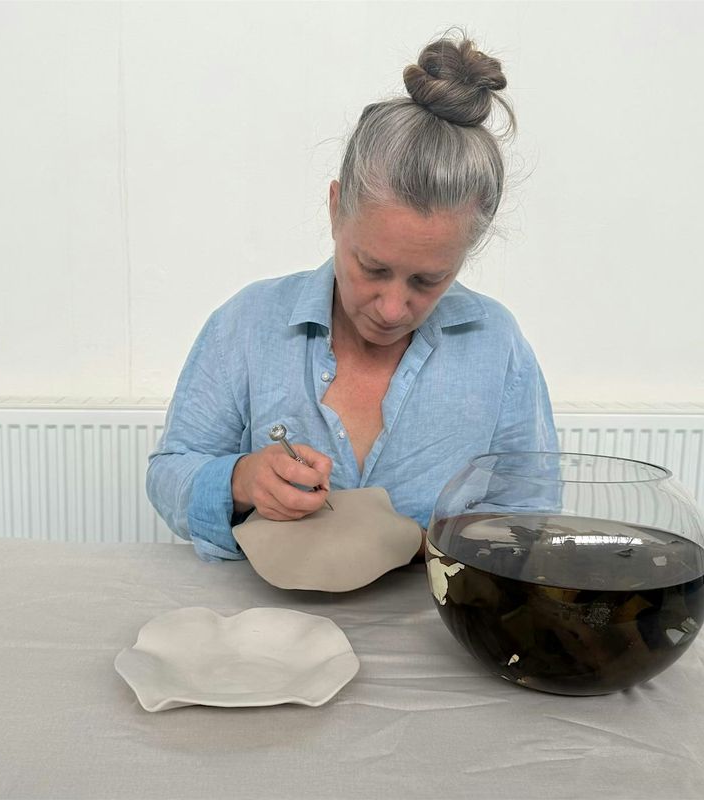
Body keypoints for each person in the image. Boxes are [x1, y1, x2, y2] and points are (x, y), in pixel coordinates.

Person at [146, 33, 558, 562]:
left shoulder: (497, 345)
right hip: (260, 611)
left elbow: (528, 516)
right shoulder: (247, 323)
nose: (392, 309)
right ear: (336, 207)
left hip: (433, 612)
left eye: (428, 281)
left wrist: (442, 549)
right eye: (373, 268)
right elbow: (169, 475)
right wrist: (241, 480)